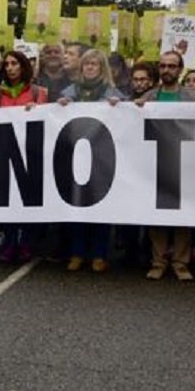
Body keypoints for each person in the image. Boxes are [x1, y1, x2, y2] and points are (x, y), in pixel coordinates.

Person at [57, 48, 124, 272]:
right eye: (86, 64)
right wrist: (62, 105)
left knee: (100, 206)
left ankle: (98, 254)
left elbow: (127, 116)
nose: (90, 68)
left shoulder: (112, 92)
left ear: (102, 67)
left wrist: (119, 106)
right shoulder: (71, 90)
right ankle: (77, 252)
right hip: (76, 155)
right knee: (77, 205)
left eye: (94, 64)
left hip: (102, 157)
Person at [0, 50, 47, 263]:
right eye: (7, 64)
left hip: (31, 153)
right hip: (6, 152)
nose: (10, 68)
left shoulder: (38, 92)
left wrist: (39, 110)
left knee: (27, 199)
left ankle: (26, 241)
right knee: (9, 198)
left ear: (23, 66)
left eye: (15, 64)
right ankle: (10, 239)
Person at [141, 52, 195, 282]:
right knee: (158, 216)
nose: (166, 70)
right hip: (156, 160)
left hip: (183, 160)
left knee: (183, 216)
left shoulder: (192, 97)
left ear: (180, 69)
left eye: (172, 66)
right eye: (162, 65)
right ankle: (158, 261)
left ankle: (181, 263)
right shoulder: (149, 97)